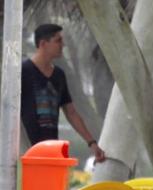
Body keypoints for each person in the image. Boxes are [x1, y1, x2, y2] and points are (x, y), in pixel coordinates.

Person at [21, 24, 106, 162]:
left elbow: (71, 112)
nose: (63, 45)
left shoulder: (58, 76)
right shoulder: (23, 71)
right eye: (58, 40)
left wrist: (92, 143)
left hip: (50, 148)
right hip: (25, 149)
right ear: (43, 43)